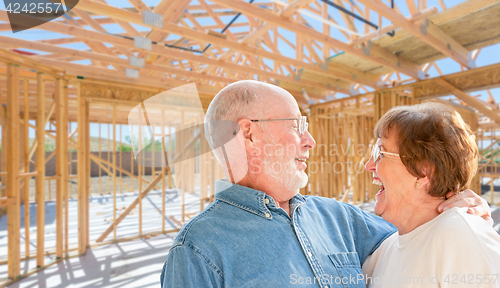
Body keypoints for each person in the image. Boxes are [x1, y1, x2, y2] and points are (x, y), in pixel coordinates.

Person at [160, 81, 489, 287]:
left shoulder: (339, 218)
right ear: (249, 133)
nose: (311, 140)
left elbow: (417, 235)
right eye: (296, 125)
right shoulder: (196, 252)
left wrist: (457, 206)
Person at [363, 102, 500, 288]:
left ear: (423, 170)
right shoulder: (384, 250)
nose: (369, 165)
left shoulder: (458, 235)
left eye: (380, 152)